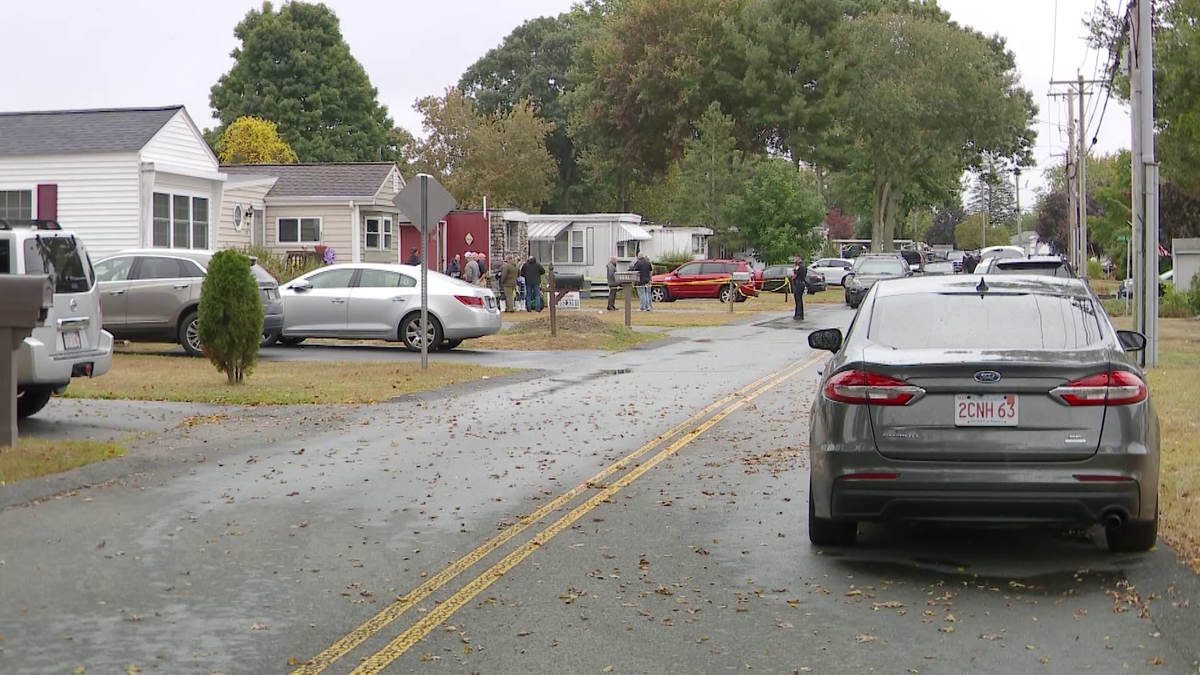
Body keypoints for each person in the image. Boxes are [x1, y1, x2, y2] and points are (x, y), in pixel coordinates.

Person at [790, 255, 808, 320]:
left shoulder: (799, 266)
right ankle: (800, 314)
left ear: (798, 258)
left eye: (796, 258)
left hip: (798, 284)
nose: (795, 259)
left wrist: (792, 278)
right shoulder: (804, 265)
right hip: (802, 283)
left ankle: (798, 314)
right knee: (799, 299)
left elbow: (795, 274)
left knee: (798, 299)